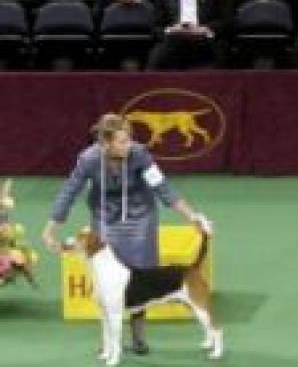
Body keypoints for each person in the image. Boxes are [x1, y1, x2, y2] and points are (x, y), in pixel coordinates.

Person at [44, 113, 210, 356]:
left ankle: (138, 336)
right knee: (108, 284)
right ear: (105, 143)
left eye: (129, 139)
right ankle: (110, 341)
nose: (128, 145)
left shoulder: (140, 154)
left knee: (140, 276)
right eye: (122, 141)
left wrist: (192, 216)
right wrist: (51, 227)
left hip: (140, 218)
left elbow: (163, 188)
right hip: (105, 219)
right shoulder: (88, 160)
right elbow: (69, 192)